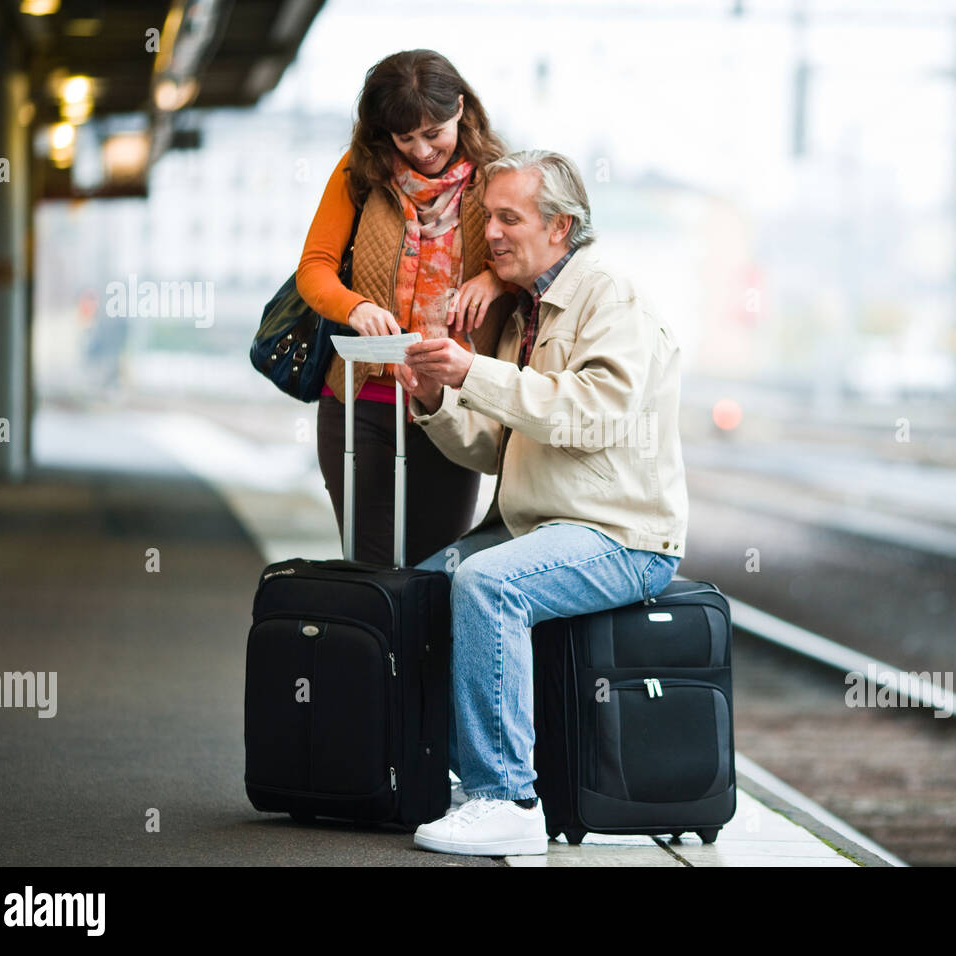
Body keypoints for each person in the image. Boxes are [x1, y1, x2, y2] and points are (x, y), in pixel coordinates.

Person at [398, 150, 689, 856]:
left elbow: (594, 415)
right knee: (416, 590)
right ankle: (432, 777)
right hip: (542, 527)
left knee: (488, 583)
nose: (491, 233)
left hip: (622, 535)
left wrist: (476, 370)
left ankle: (508, 799)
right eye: (487, 216)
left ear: (559, 227)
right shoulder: (520, 312)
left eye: (509, 217)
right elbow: (495, 447)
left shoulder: (608, 297)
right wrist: (438, 400)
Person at [295, 49, 515, 566]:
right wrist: (353, 308)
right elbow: (314, 268)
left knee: (435, 567)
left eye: (434, 132)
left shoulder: (499, 177)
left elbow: (537, 260)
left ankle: (421, 653)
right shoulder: (360, 171)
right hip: (361, 404)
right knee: (368, 567)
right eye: (404, 138)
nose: (422, 150)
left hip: (452, 406)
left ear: (461, 108)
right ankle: (376, 650)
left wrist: (493, 281)